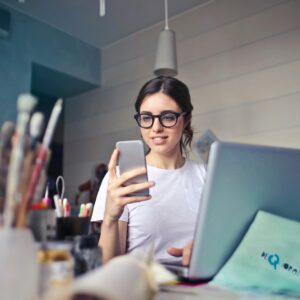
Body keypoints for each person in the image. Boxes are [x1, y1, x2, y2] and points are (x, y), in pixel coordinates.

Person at [91, 76, 206, 265]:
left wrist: (204, 251)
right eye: (147, 118)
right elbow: (108, 266)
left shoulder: (206, 175)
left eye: (168, 117)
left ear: (186, 119)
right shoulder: (121, 179)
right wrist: (110, 217)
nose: (156, 128)